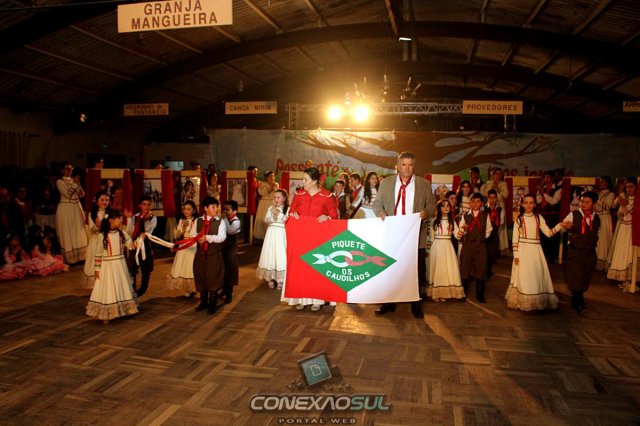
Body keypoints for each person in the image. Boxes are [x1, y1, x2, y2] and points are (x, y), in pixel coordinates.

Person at [372, 152, 436, 318]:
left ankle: (416, 303)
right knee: (390, 268)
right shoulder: (386, 183)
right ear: (398, 166)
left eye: (410, 165)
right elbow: (377, 203)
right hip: (392, 234)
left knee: (416, 269)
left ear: (414, 166)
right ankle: (388, 302)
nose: (407, 168)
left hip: (415, 234)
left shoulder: (424, 184)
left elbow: (432, 205)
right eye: (404, 165)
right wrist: (380, 212)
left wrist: (426, 213)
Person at [288, 167, 338, 311]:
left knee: (316, 267)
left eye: (306, 180)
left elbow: (334, 216)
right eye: (303, 179)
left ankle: (318, 300)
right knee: (301, 268)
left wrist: (327, 217)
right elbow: (291, 211)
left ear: (315, 181)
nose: (303, 182)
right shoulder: (299, 195)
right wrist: (293, 214)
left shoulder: (327, 196)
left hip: (318, 239)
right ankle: (301, 299)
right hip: (301, 238)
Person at [506, 194, 561, 311]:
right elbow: (515, 239)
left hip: (536, 252)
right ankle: (523, 301)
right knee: (524, 276)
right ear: (522, 204)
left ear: (535, 205)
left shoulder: (539, 218)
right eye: (526, 203)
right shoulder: (519, 220)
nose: (528, 205)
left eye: (531, 203)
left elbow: (549, 233)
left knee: (536, 275)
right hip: (523, 252)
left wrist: (560, 225)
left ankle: (535, 301)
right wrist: (516, 255)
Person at [86, 210, 139, 324]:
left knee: (121, 285)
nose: (120, 221)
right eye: (119, 219)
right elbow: (98, 253)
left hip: (120, 265)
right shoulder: (102, 236)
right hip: (108, 266)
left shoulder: (122, 233)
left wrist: (140, 240)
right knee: (109, 287)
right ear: (111, 220)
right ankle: (107, 313)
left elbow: (130, 245)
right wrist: (97, 269)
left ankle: (123, 309)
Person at [559, 191, 600, 312]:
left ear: (594, 204)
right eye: (582, 201)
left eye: (587, 202)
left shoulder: (597, 218)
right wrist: (565, 227)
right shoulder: (573, 215)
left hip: (589, 253)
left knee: (585, 276)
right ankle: (578, 299)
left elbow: (597, 234)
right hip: (575, 251)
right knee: (576, 275)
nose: (583, 204)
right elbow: (562, 229)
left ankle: (578, 295)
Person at [456, 192, 492, 303]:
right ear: (470, 203)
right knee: (465, 268)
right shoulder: (465, 216)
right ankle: (463, 293)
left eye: (477, 201)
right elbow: (460, 232)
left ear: (481, 203)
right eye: (473, 201)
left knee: (480, 269)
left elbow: (489, 230)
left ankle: (479, 294)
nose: (475, 203)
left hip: (480, 246)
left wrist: (481, 238)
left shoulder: (485, 216)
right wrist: (464, 230)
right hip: (468, 245)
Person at [193, 197, 226, 314]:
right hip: (200, 254)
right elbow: (193, 235)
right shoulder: (198, 221)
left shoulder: (220, 222)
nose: (216, 209)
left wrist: (207, 237)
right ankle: (203, 302)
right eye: (213, 207)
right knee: (201, 276)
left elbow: (221, 237)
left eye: (216, 207)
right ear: (205, 208)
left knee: (213, 277)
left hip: (213, 254)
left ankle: (213, 303)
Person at [427, 199, 464, 302]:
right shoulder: (434, 221)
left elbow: (457, 236)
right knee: (438, 269)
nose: (446, 208)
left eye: (448, 206)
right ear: (439, 208)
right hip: (437, 247)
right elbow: (431, 238)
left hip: (448, 247)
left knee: (446, 269)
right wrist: (428, 251)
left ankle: (444, 293)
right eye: (443, 206)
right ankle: (437, 293)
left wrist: (462, 229)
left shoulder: (452, 222)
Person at [606, 178, 638, 292]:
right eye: (627, 187)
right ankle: (624, 279)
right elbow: (618, 211)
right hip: (624, 228)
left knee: (631, 253)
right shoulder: (624, 198)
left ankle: (632, 278)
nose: (629, 189)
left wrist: (626, 204)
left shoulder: (637, 199)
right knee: (623, 252)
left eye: (631, 187)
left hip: (634, 228)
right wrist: (622, 202)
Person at [55, 162, 88, 265]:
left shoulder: (74, 181)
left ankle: (81, 257)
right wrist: (75, 184)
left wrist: (77, 184)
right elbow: (68, 194)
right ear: (62, 170)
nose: (70, 170)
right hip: (66, 208)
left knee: (78, 230)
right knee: (68, 231)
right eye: (67, 168)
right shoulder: (59, 182)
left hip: (76, 207)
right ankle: (70, 259)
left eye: (71, 168)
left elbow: (82, 194)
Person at [257, 189, 289, 290]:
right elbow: (266, 219)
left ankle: (280, 280)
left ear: (284, 198)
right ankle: (271, 278)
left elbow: (286, 219)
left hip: (281, 234)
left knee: (280, 255)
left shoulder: (288, 208)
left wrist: (277, 213)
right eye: (274, 197)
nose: (276, 199)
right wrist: (273, 216)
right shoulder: (270, 208)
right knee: (270, 254)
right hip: (271, 233)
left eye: (278, 197)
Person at [125, 195, 156, 297]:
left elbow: (149, 231)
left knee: (146, 268)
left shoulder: (152, 217)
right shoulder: (135, 217)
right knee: (132, 268)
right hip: (135, 244)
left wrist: (145, 220)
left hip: (145, 244)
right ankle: (132, 289)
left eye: (149, 204)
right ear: (140, 205)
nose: (146, 206)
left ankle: (142, 289)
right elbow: (130, 232)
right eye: (144, 204)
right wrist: (129, 219)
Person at [168, 200, 198, 298]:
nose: (186, 211)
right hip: (182, 245)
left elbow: (195, 234)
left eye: (189, 209)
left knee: (190, 266)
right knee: (182, 266)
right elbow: (179, 232)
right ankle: (188, 289)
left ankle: (193, 288)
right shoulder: (181, 220)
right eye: (184, 209)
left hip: (192, 245)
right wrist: (179, 233)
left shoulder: (196, 221)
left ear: (193, 210)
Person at [82, 191, 111, 288]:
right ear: (97, 201)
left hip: (108, 239)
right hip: (96, 240)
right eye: (102, 200)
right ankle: (96, 284)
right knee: (95, 259)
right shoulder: (92, 214)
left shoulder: (110, 213)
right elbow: (92, 229)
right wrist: (99, 226)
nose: (105, 202)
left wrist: (103, 225)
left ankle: (107, 282)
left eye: (107, 200)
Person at [481, 168, 509, 254]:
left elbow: (506, 195)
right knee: (489, 225)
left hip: (500, 206)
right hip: (490, 206)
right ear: (493, 175)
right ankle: (489, 247)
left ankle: (500, 248)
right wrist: (492, 188)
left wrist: (498, 188)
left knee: (500, 227)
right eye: (496, 173)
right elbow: (485, 193)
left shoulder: (503, 183)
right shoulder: (489, 183)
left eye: (500, 173)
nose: (498, 175)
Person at [537, 171, 562, 262]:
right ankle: (544, 255)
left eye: (548, 177)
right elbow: (538, 201)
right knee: (543, 235)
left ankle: (552, 256)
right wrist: (540, 193)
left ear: (552, 178)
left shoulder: (558, 189)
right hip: (543, 215)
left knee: (552, 235)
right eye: (545, 177)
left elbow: (553, 201)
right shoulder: (542, 188)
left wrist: (543, 193)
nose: (545, 179)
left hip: (553, 216)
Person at [222, 200, 241, 304]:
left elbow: (229, 230)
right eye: (224, 209)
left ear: (234, 211)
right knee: (223, 271)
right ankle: (224, 290)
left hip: (231, 251)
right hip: (223, 249)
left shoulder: (236, 222)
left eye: (227, 210)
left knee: (230, 272)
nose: (225, 211)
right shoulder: (226, 220)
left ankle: (229, 294)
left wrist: (222, 220)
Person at [595, 176, 615, 272]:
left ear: (607, 183)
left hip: (605, 218)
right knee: (597, 240)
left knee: (604, 240)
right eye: (600, 182)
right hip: (597, 217)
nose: (600, 183)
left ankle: (602, 263)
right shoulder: (599, 193)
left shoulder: (611, 194)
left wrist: (597, 200)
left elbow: (607, 207)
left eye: (602, 181)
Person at [254, 171, 279, 240]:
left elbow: (277, 194)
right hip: (264, 203)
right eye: (271, 176)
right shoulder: (262, 184)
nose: (272, 177)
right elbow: (262, 193)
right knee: (263, 219)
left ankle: (270, 237)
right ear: (267, 177)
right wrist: (270, 189)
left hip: (272, 203)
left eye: (273, 176)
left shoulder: (276, 184)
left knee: (271, 220)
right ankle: (263, 237)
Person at [485, 189, 504, 277]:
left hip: (495, 234)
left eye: (494, 198)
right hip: (485, 235)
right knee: (485, 254)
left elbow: (501, 222)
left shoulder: (500, 209)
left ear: (496, 198)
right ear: (488, 198)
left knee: (492, 253)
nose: (492, 200)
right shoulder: (484, 208)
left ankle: (489, 269)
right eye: (490, 198)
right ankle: (485, 271)